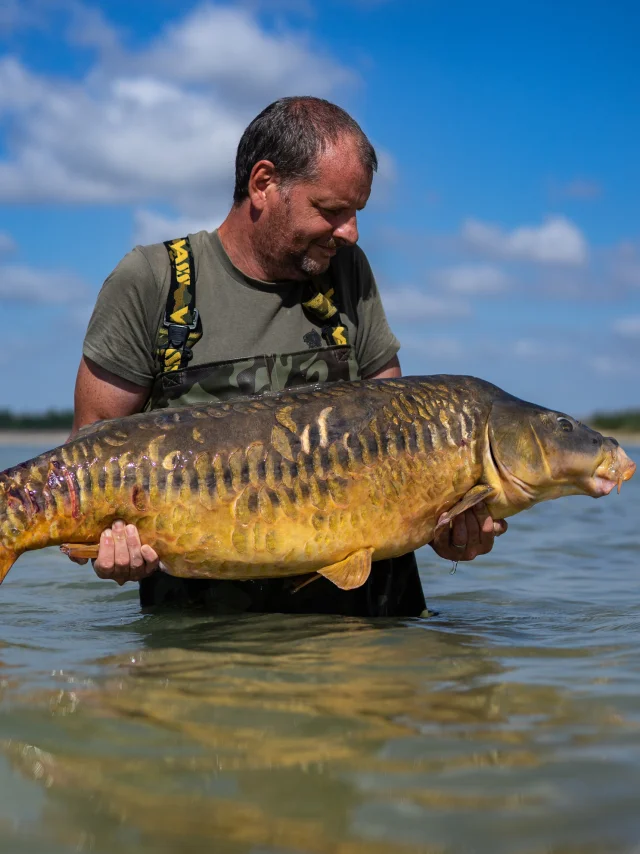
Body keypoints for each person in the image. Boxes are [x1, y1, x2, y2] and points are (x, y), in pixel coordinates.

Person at [69, 96, 506, 615]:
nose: (352, 233)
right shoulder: (154, 282)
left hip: (356, 639)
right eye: (332, 210)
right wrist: (107, 543)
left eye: (357, 213)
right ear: (263, 184)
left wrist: (450, 529)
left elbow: (401, 440)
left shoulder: (348, 272)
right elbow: (86, 457)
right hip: (207, 644)